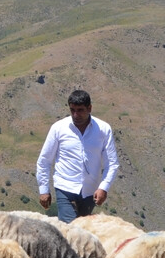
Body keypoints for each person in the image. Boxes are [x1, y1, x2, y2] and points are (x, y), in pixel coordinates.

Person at [35, 89, 120, 224]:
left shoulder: (103, 129)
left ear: (89, 108)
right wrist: (44, 190)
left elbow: (112, 163)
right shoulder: (58, 128)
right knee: (70, 228)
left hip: (90, 191)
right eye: (72, 110)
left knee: (84, 229)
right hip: (65, 188)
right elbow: (44, 160)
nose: (75, 115)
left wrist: (104, 187)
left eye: (80, 110)